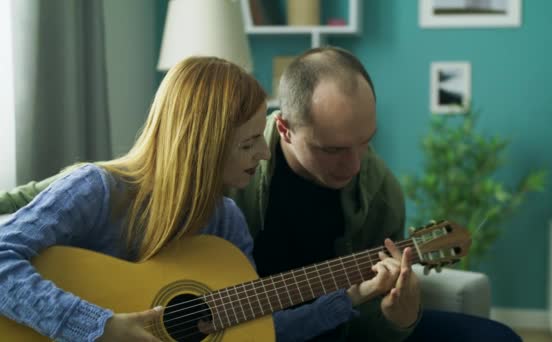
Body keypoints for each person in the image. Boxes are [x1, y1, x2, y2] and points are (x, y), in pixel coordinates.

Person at [0, 48, 520, 342]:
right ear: (202, 146)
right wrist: (103, 327)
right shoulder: (96, 189)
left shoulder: (225, 222)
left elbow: (256, 324)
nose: (263, 152)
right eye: (251, 141)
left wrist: (354, 298)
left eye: (366, 143)